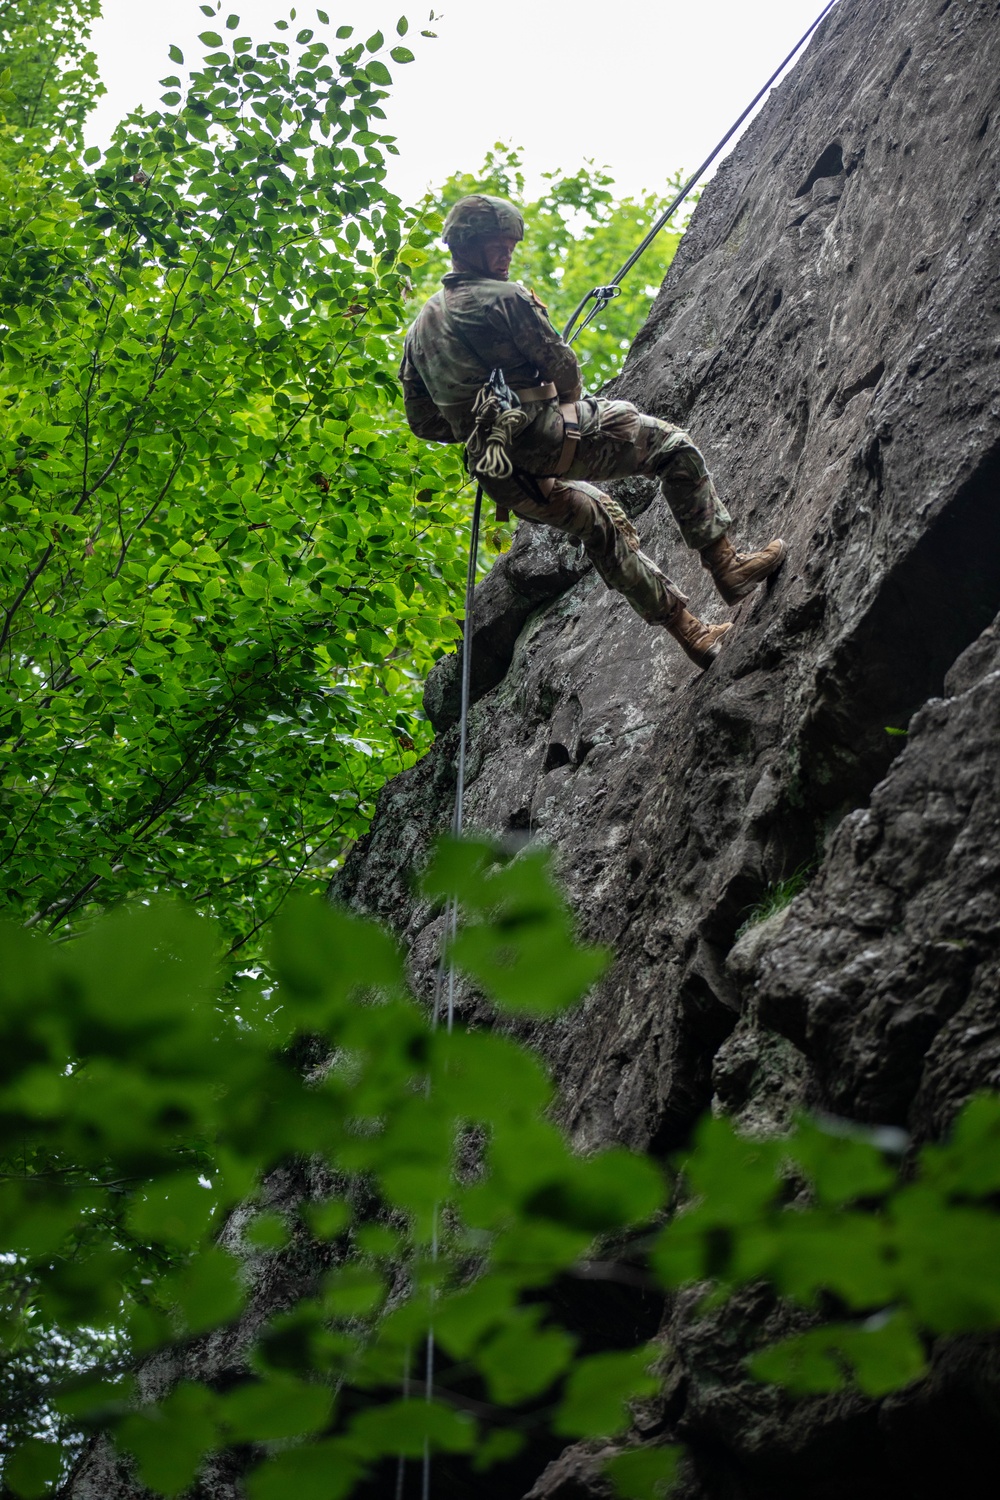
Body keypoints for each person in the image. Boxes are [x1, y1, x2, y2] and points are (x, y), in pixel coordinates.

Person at [399, 194, 786, 669]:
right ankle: (728, 567)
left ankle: (693, 635)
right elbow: (560, 364)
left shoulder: (419, 330)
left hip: (502, 474)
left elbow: (423, 422)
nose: (507, 255)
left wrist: (486, 423)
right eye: (497, 246)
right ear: (467, 246)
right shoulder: (504, 299)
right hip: (549, 435)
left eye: (510, 245)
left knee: (601, 528)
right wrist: (549, 406)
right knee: (671, 445)